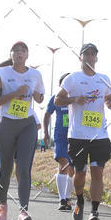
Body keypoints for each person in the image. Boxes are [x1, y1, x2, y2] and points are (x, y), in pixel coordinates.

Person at [55, 43, 111, 220]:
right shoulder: (72, 79)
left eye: (93, 54)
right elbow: (58, 100)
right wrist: (74, 99)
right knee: (80, 173)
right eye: (86, 54)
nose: (90, 56)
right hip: (78, 135)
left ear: (96, 58)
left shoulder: (104, 79)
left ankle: (95, 212)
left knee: (98, 172)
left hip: (99, 135)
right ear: (80, 58)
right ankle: (80, 199)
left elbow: (108, 98)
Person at [0, 41, 45, 220]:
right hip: (6, 124)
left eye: (23, 50)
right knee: (6, 169)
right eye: (16, 50)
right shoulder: (2, 73)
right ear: (11, 54)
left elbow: (40, 97)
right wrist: (15, 93)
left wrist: (37, 96)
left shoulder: (35, 74)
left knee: (23, 168)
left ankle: (23, 211)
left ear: (27, 55)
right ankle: (2, 204)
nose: (20, 53)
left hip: (27, 124)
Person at [44, 72, 74, 211]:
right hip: (61, 136)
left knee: (72, 169)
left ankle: (68, 198)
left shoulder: (77, 98)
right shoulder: (55, 98)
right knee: (63, 164)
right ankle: (62, 199)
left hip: (75, 136)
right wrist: (45, 133)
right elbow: (47, 114)